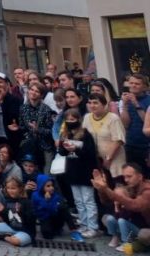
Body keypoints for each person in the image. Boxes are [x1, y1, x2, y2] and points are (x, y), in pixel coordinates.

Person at [56, 107, 100, 238]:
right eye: (68, 119)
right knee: (78, 201)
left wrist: (76, 148)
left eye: (72, 119)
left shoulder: (85, 134)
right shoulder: (65, 134)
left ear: (78, 120)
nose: (70, 121)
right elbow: (61, 152)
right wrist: (64, 147)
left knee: (88, 200)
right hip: (72, 171)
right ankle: (84, 224)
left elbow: (90, 152)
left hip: (85, 171)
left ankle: (93, 227)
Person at [0, 176, 37, 247]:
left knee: (16, 241)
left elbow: (31, 221)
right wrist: (2, 211)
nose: (10, 191)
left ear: (20, 188)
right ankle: (10, 235)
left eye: (13, 188)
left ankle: (5, 237)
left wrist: (20, 212)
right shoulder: (7, 200)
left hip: (25, 231)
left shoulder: (26, 202)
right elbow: (7, 220)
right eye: (8, 188)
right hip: (12, 228)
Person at [84, 92, 126, 181]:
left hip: (114, 160)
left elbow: (118, 140)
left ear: (104, 104)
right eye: (90, 103)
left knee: (117, 187)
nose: (92, 105)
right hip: (97, 161)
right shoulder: (87, 117)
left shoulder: (113, 118)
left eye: (95, 103)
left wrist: (108, 159)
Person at [31, 174, 76, 241]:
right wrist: (46, 201)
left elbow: (53, 210)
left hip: (54, 217)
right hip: (44, 218)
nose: (51, 188)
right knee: (48, 236)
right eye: (48, 186)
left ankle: (73, 230)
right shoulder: (35, 195)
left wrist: (49, 202)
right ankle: (52, 230)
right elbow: (38, 212)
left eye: (52, 185)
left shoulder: (55, 195)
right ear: (41, 187)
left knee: (63, 208)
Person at [121, 74, 150, 169]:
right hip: (131, 144)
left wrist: (136, 104)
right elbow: (126, 124)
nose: (133, 85)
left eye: (137, 84)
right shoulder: (126, 100)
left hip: (146, 145)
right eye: (131, 83)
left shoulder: (148, 100)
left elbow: (147, 122)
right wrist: (124, 106)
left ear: (145, 87)